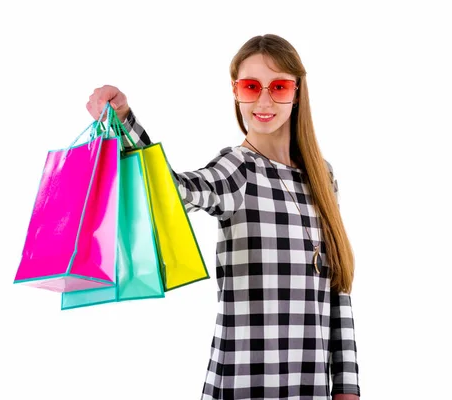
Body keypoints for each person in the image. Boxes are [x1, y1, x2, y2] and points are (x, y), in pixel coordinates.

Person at [86, 34, 361, 400]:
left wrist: (347, 388)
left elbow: (338, 291)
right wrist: (125, 121)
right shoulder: (238, 169)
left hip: (310, 389)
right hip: (244, 384)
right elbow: (172, 192)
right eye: (250, 86)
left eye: (278, 86)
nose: (263, 100)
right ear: (236, 92)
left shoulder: (322, 178)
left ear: (297, 93)